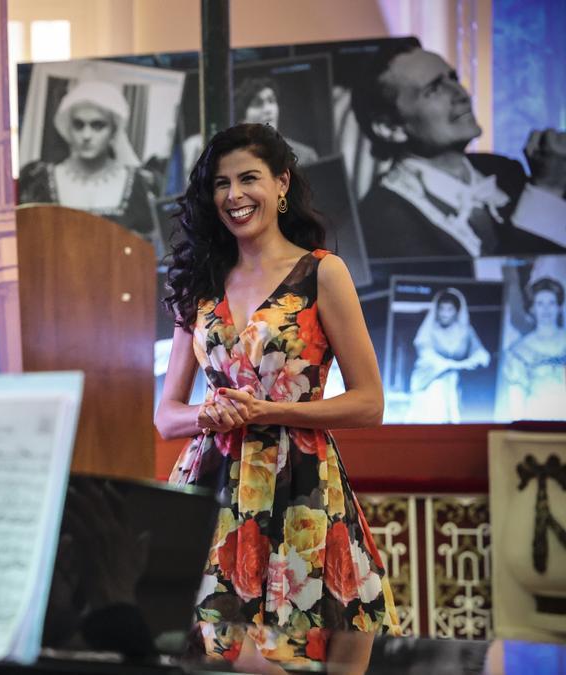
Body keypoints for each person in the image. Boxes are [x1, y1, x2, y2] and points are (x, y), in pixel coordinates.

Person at [155, 123, 396, 674]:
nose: (234, 196)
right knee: (205, 651)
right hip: (208, 486)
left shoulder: (321, 273)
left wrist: (270, 411)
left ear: (282, 183)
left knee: (306, 647)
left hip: (301, 483)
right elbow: (167, 417)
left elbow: (369, 403)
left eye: (248, 179)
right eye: (220, 184)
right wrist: (207, 413)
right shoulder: (197, 281)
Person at [352, 43, 566, 260]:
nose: (462, 94)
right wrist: (546, 190)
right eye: (433, 89)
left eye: (452, 78)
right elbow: (514, 289)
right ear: (391, 128)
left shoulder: (504, 170)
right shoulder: (381, 221)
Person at [18, 79, 158, 238]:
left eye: (97, 125)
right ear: (68, 129)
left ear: (113, 130)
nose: (86, 136)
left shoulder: (135, 183)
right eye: (78, 125)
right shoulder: (41, 181)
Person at [180, 77, 320, 184]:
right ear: (242, 120)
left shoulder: (305, 156)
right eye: (258, 103)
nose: (268, 109)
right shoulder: (227, 162)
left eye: (272, 101)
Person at [403, 287, 490, 424]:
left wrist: (476, 359)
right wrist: (459, 365)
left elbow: (480, 353)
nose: (444, 313)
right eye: (441, 309)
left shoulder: (465, 331)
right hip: (431, 381)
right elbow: (427, 356)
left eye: (449, 309)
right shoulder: (429, 330)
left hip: (455, 384)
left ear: (456, 311)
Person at [500, 277, 566, 420]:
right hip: (535, 423)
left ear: (559, 307)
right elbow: (516, 398)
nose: (546, 309)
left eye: (552, 303)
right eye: (540, 304)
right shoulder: (518, 350)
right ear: (532, 308)